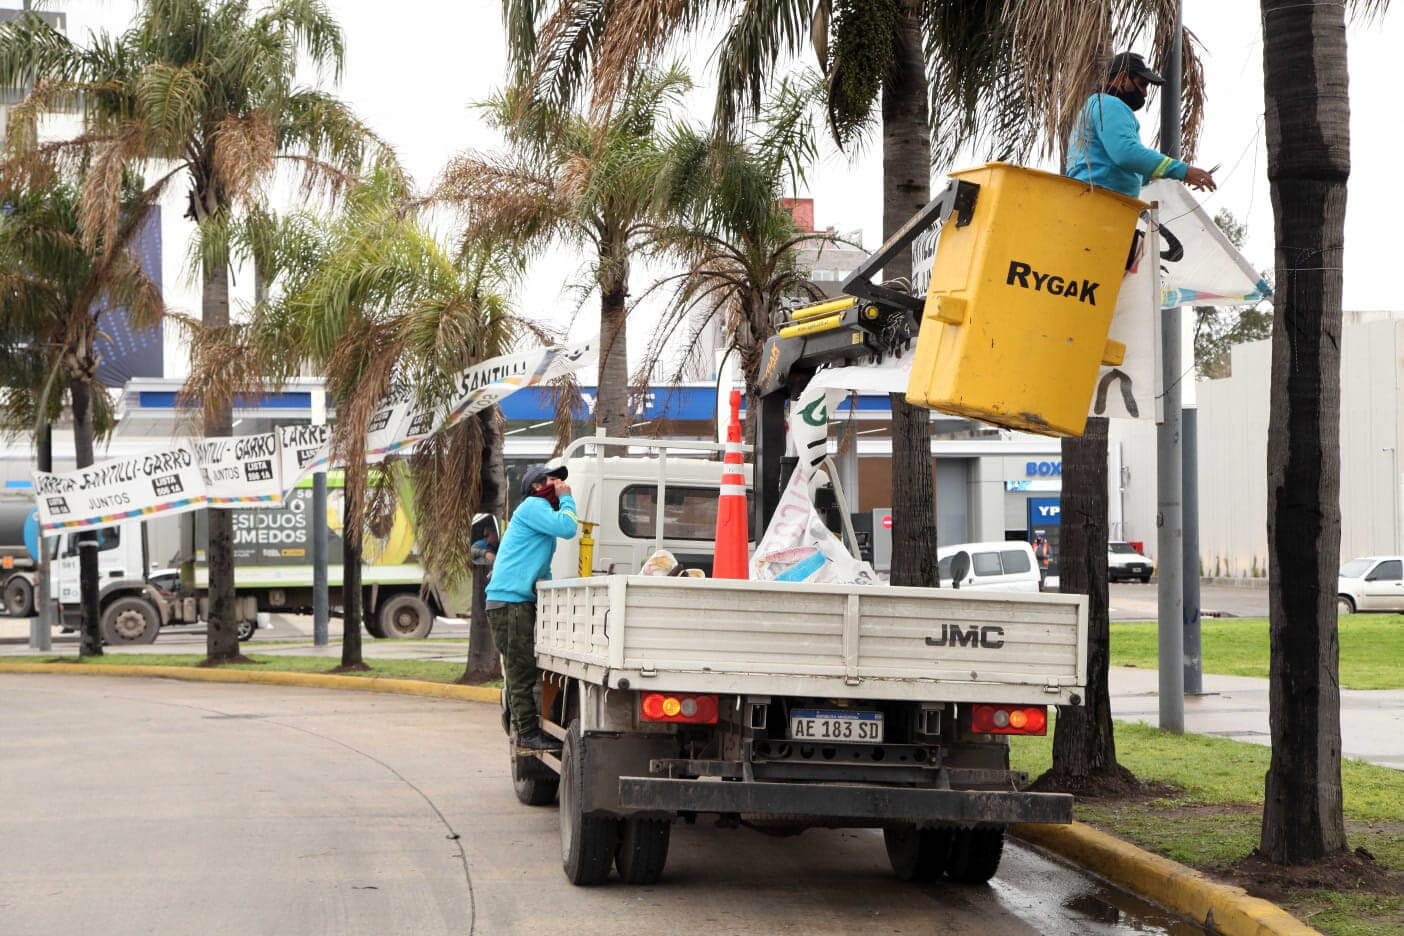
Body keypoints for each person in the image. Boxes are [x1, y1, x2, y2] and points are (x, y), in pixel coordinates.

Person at [486, 463, 579, 753]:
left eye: (561, 481)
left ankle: (523, 729)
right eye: (553, 480)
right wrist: (567, 498)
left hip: (515, 601)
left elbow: (540, 567)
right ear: (538, 486)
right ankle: (526, 733)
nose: (560, 484)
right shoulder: (533, 506)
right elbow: (569, 527)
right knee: (521, 670)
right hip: (510, 602)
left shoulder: (538, 515)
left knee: (521, 669)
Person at [1066, 52, 1216, 200]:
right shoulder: (1110, 104)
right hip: (1099, 204)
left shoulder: (1096, 104)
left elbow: (1117, 165)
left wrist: (1153, 174)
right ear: (1123, 77)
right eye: (1142, 84)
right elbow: (1126, 153)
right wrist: (1183, 171)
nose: (1144, 93)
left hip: (1092, 201)